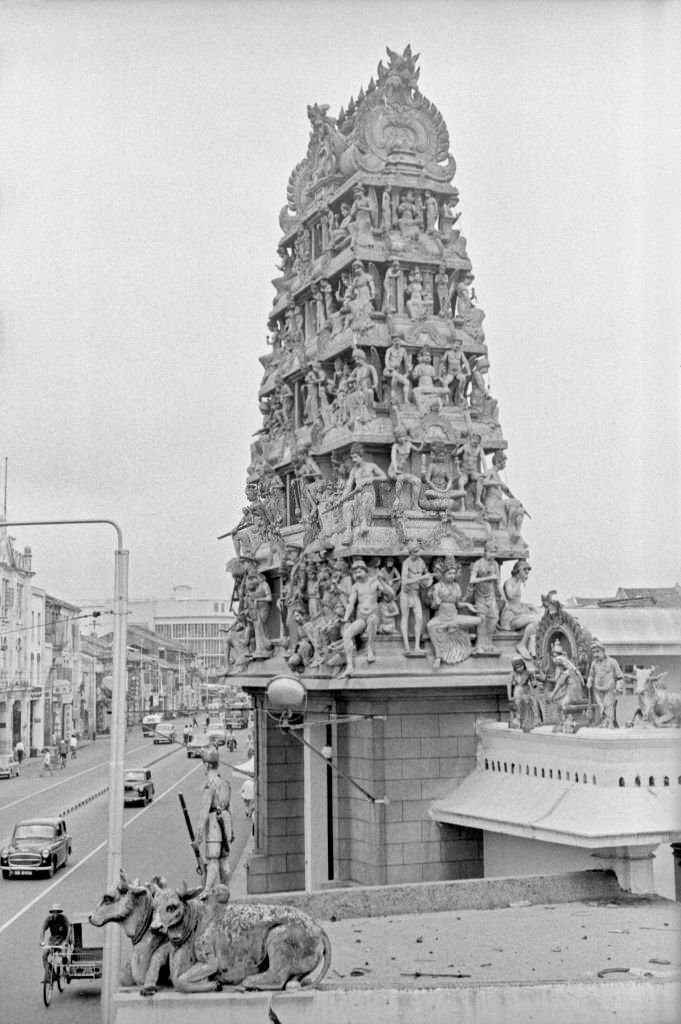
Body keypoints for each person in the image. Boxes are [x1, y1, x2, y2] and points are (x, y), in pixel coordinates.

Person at [195, 747, 233, 895]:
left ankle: (206, 892)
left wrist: (198, 837)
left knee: (212, 861)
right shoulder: (225, 783)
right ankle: (226, 890)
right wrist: (231, 831)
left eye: (203, 763)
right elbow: (229, 808)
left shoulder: (210, 785)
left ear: (207, 765)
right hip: (225, 823)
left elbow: (204, 813)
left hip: (214, 825)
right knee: (224, 862)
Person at [587, 640, 624, 729]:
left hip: (609, 689)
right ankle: (604, 722)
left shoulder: (612, 662)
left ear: (603, 651)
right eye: (593, 652)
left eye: (597, 651)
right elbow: (591, 675)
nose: (595, 654)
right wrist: (589, 680)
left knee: (608, 705)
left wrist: (619, 686)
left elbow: (620, 676)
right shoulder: (594, 663)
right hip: (597, 689)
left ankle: (610, 722)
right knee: (601, 707)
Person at [40, 905, 72, 971]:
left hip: (62, 939)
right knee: (44, 954)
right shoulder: (49, 919)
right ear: (52, 912)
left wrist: (66, 941)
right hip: (52, 940)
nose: (55, 914)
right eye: (54, 912)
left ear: (59, 912)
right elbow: (42, 929)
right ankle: (47, 972)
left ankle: (65, 965)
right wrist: (42, 941)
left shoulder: (63, 918)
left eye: (57, 912)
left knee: (63, 954)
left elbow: (69, 928)